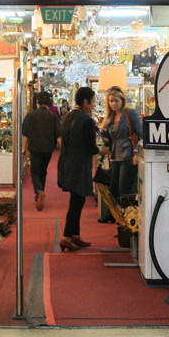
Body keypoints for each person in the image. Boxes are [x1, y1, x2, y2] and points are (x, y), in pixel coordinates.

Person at [57, 87, 109, 251]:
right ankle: (66, 237)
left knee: (76, 200)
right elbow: (91, 148)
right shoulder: (86, 120)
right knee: (76, 203)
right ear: (85, 102)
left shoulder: (67, 116)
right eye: (93, 101)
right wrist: (104, 150)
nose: (94, 105)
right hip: (79, 166)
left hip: (67, 163)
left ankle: (75, 236)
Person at [98, 86, 142, 224]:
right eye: (111, 101)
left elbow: (141, 135)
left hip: (128, 155)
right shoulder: (110, 117)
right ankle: (112, 214)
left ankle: (125, 219)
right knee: (112, 189)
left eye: (116, 101)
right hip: (115, 156)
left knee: (124, 190)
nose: (113, 104)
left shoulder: (130, 113)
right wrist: (103, 128)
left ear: (122, 100)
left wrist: (136, 154)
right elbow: (107, 141)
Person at [22, 91, 62, 211]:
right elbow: (59, 134)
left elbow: (26, 134)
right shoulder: (53, 116)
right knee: (43, 171)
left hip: (35, 148)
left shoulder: (31, 115)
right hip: (48, 149)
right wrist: (63, 149)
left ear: (37, 102)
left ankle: (39, 191)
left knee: (34, 172)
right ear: (48, 102)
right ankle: (40, 193)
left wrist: (24, 148)